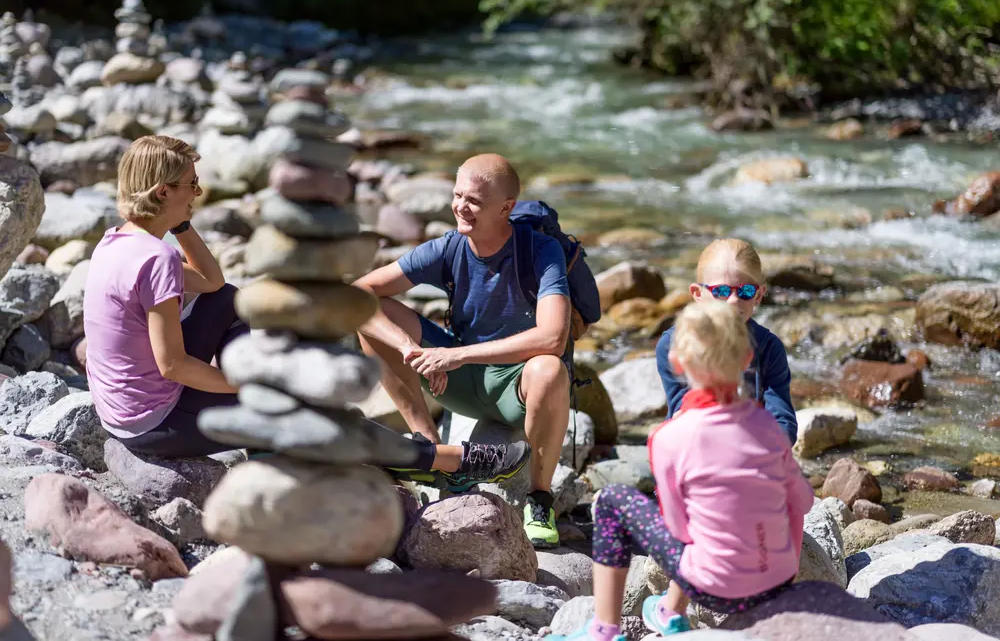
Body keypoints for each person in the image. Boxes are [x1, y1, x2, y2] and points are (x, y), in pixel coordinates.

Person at [83, 136, 530, 491]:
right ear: (164, 191)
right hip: (155, 422)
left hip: (123, 410)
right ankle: (444, 462)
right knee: (303, 408)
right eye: (191, 186)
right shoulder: (156, 261)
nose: (198, 194)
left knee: (228, 300)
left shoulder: (118, 242)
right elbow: (173, 365)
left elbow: (214, 284)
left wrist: (179, 224)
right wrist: (250, 387)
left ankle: (274, 421)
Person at [550, 301, 814, 639]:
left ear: (677, 363)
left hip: (712, 587)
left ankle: (604, 630)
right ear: (748, 360)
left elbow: (680, 529)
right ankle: (668, 612)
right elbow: (803, 502)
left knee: (612, 502)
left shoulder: (669, 437)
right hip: (776, 583)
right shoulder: (768, 427)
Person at [354, 153, 572, 548]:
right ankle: (431, 448)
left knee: (550, 369)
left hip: (515, 388)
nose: (459, 207)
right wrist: (410, 350)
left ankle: (540, 499)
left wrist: (456, 356)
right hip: (461, 381)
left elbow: (553, 337)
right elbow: (358, 293)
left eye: (473, 201)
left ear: (506, 208)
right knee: (374, 317)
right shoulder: (448, 247)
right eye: (457, 196)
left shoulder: (540, 252)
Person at [655, 238, 797, 443]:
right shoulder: (674, 345)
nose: (733, 300)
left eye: (746, 291)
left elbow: (783, 421)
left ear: (759, 295)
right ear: (698, 293)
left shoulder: (768, 348)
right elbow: (680, 411)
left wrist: (762, 447)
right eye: (721, 291)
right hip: (696, 444)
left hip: (754, 447)